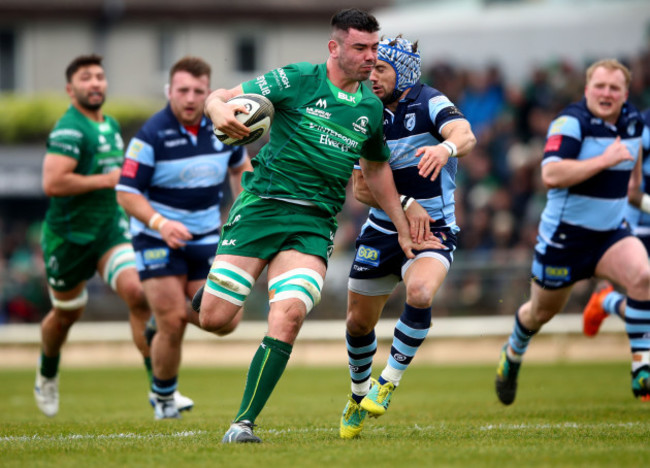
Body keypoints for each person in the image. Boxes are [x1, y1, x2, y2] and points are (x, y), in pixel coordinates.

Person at [195, 8, 440, 443]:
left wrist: (401, 222)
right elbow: (222, 95)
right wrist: (217, 110)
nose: (370, 58)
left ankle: (243, 423)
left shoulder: (369, 106)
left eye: (374, 49)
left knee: (288, 315)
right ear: (335, 47)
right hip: (261, 207)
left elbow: (376, 169)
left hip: (313, 221)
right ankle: (206, 293)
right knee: (215, 319)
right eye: (360, 48)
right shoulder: (296, 79)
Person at [337, 36, 476, 439]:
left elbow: (466, 134)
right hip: (381, 230)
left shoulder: (430, 102)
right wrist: (405, 201)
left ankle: (388, 382)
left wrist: (446, 148)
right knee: (358, 322)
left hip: (432, 230)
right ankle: (358, 394)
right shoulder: (365, 111)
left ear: (405, 72)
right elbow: (362, 188)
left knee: (419, 293)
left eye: (381, 69)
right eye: (370, 68)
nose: (372, 76)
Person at [494, 59, 648, 406]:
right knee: (539, 314)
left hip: (610, 234)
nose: (606, 93)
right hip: (565, 240)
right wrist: (604, 160)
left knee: (643, 275)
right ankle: (513, 353)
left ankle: (641, 365)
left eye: (614, 88)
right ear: (587, 89)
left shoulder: (634, 122)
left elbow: (634, 188)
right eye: (600, 86)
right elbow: (551, 175)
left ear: (626, 93)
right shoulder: (571, 122)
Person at [115, 56, 252, 419]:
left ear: (208, 93)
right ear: (169, 92)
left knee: (225, 321)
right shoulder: (151, 135)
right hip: (156, 238)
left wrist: (243, 216)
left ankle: (158, 322)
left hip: (206, 236)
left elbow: (241, 171)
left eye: (198, 91)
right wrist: (161, 224)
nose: (190, 98)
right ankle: (163, 397)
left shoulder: (223, 126)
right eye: (182, 90)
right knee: (173, 319)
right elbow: (126, 193)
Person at [35, 54, 154, 417]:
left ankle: (160, 392)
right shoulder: (69, 129)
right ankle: (48, 371)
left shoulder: (110, 124)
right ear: (71, 89)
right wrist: (105, 180)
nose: (96, 83)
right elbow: (53, 183)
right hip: (68, 238)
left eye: (100, 77)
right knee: (67, 314)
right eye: (86, 78)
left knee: (138, 293)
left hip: (109, 230)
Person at [581, 106, 650, 399]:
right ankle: (643, 370)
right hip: (636, 223)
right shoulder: (641, 129)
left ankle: (607, 300)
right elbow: (631, 191)